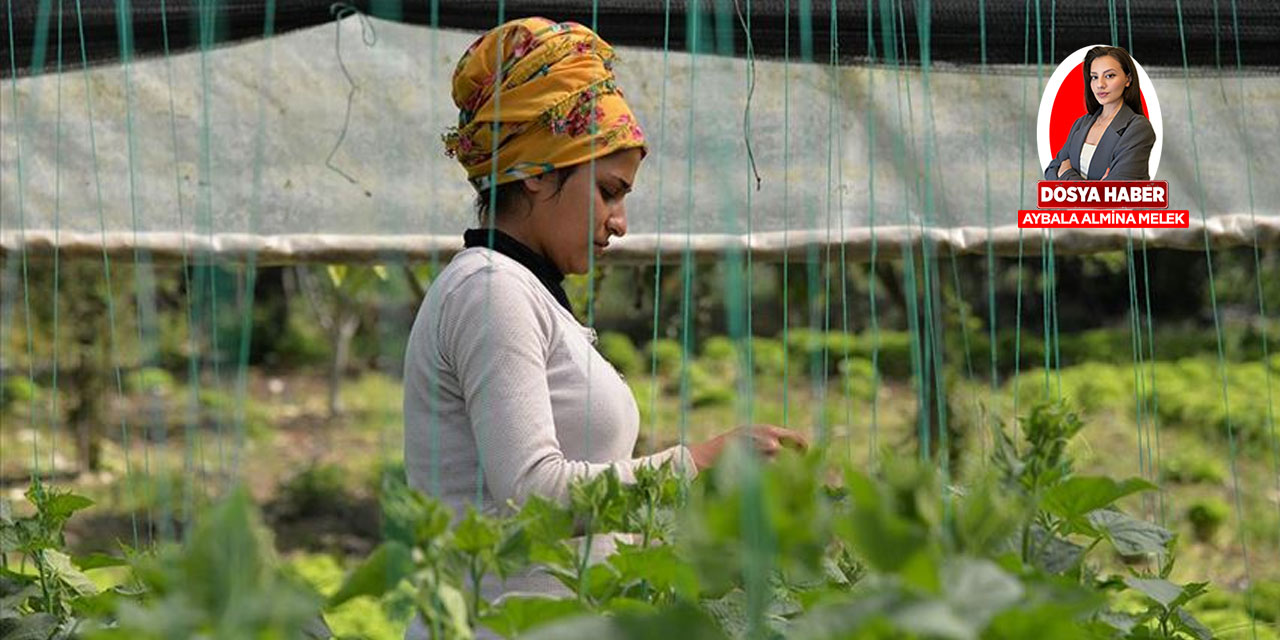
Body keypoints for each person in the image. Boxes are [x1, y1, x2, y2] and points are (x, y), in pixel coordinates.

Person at [402, 17, 807, 636]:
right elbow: (535, 496)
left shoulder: (523, 291)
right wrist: (696, 462)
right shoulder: (490, 291)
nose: (619, 223)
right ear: (538, 172)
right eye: (609, 191)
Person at [1044, 45, 1156, 181]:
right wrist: (1095, 188)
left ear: (1128, 79)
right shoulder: (1082, 123)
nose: (1100, 84)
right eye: (1094, 77)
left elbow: (1112, 195)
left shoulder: (1138, 128)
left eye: (1109, 76)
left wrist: (1066, 174)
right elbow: (1052, 170)